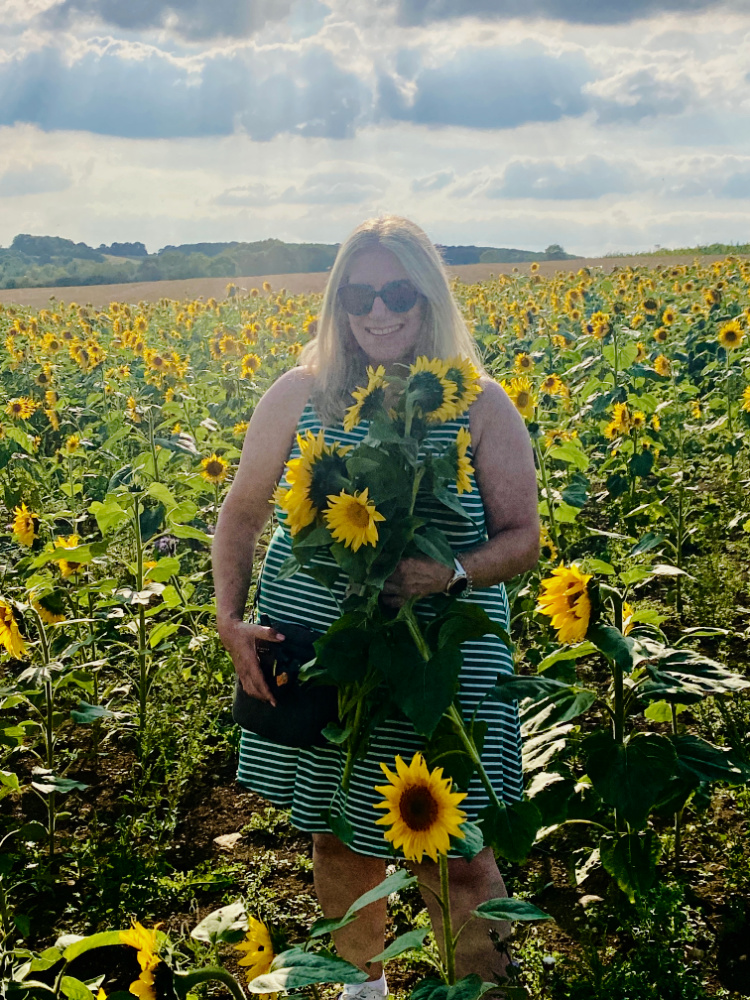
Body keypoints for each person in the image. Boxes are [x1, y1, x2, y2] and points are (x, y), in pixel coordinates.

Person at [212, 215, 540, 997]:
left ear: (428, 296)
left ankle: (481, 990)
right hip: (327, 659)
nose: (378, 310)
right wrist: (229, 620)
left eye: (398, 291)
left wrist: (451, 572)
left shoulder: (477, 401)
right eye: (359, 294)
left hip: (439, 664)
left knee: (459, 854)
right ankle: (363, 988)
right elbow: (240, 515)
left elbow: (524, 537)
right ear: (337, 303)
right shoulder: (299, 393)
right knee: (340, 842)